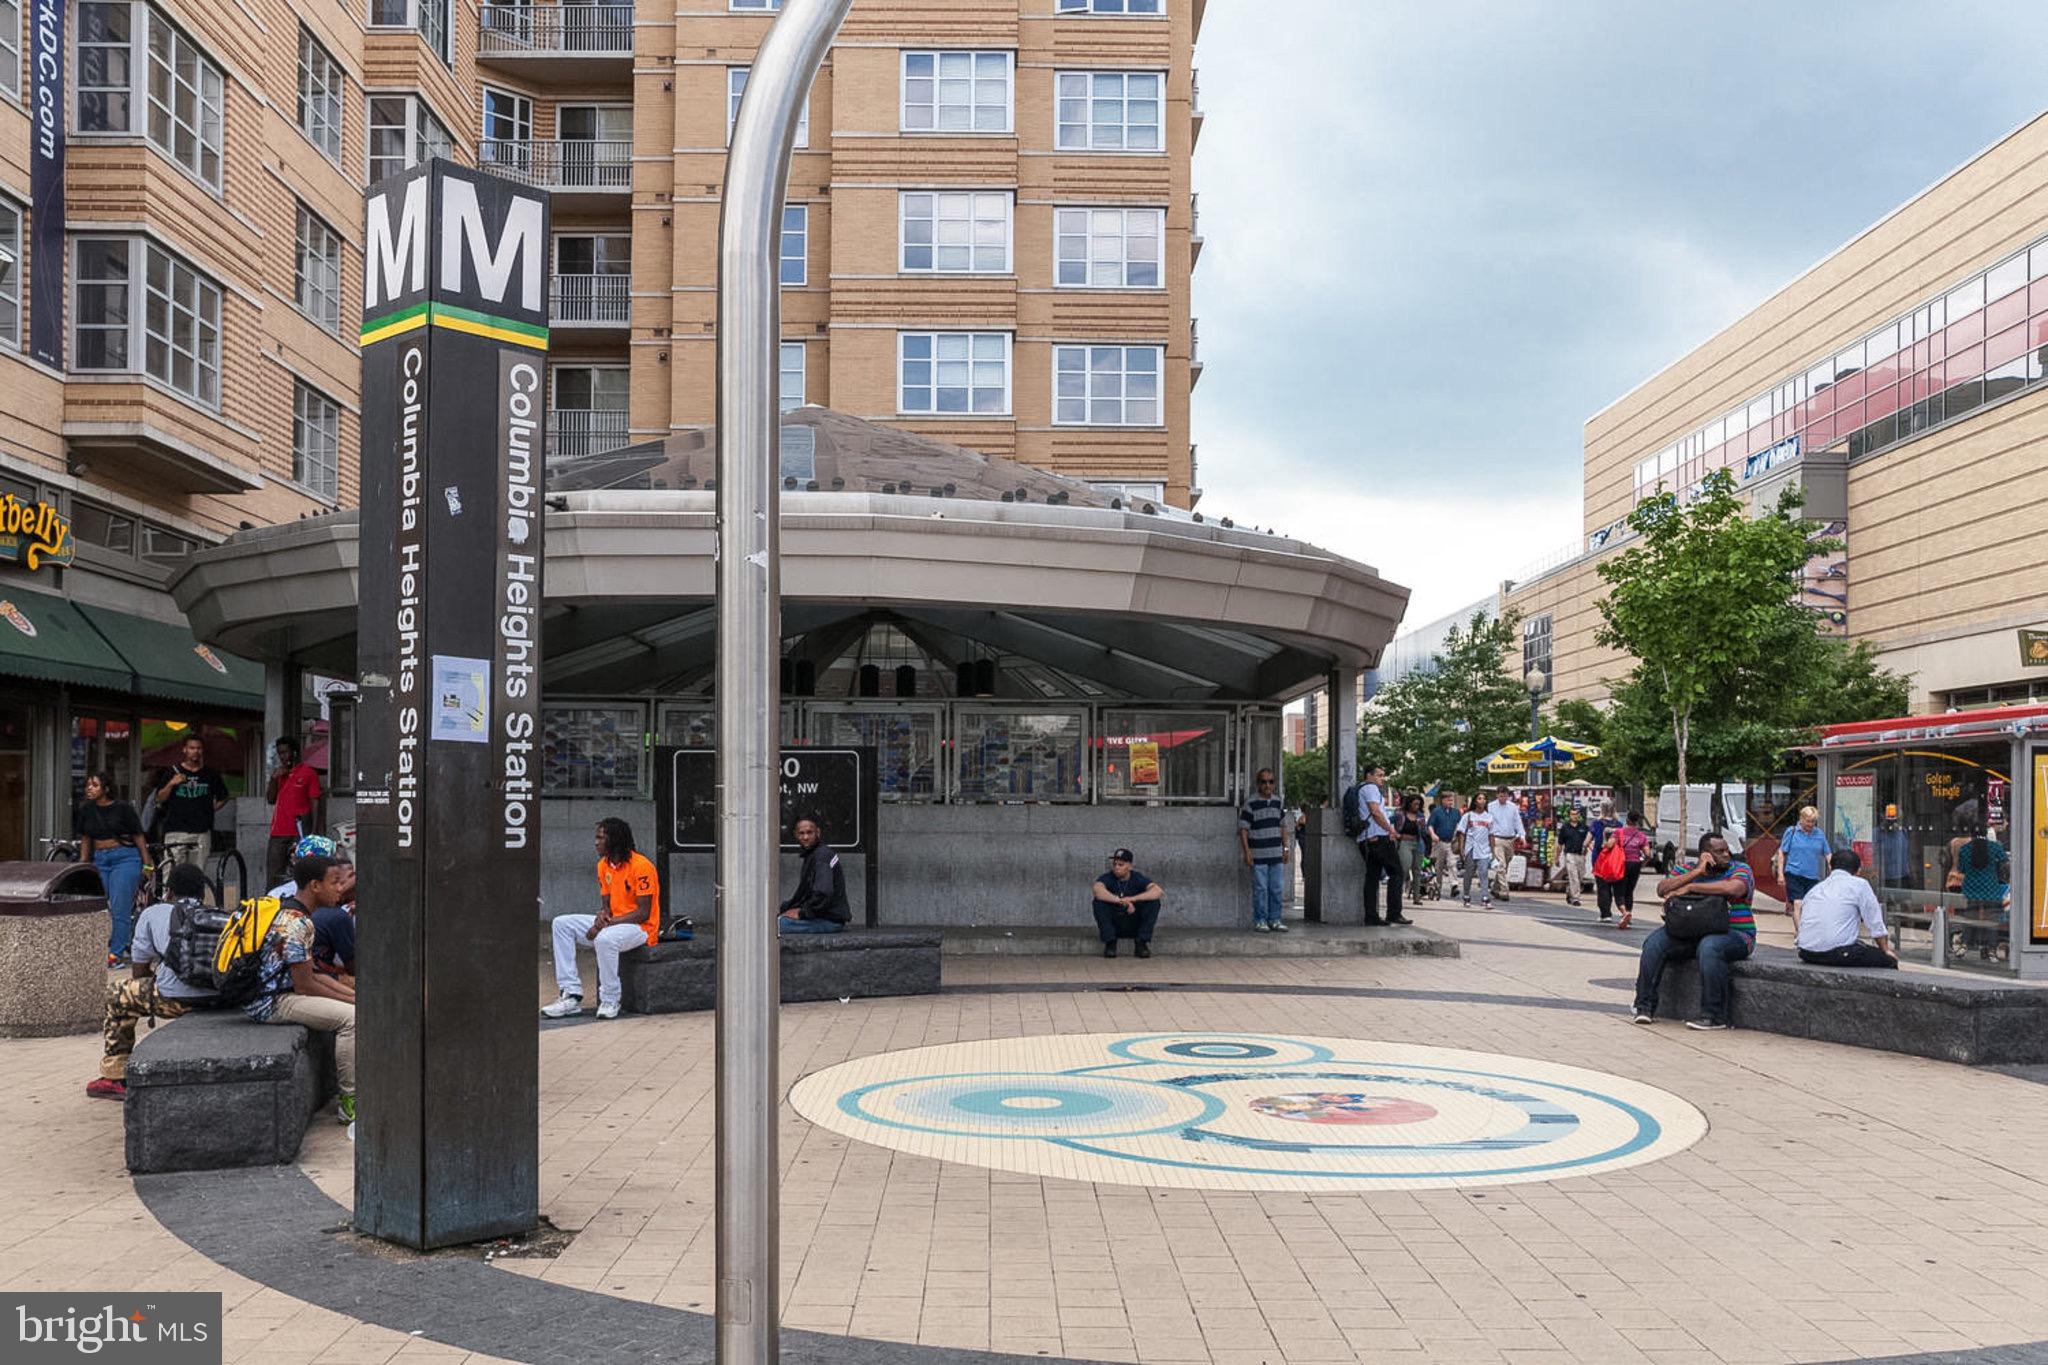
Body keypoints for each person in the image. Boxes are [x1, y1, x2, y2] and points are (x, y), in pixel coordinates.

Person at [85, 863, 218, 1100]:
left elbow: (139, 970)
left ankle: (115, 1076)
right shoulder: (217, 915)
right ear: (201, 893)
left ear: (170, 892)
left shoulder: (153, 913)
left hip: (174, 1000)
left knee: (117, 994)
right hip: (216, 999)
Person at [245, 853, 357, 1124]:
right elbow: (305, 985)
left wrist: (354, 996)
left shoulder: (295, 912)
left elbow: (315, 974)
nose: (340, 888)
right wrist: (352, 1005)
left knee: (355, 1006)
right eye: (334, 882)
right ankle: (350, 1102)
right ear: (314, 886)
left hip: (286, 992)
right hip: (272, 1002)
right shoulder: (297, 923)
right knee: (352, 1020)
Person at [1632, 832, 1757, 1031]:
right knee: (1654, 944)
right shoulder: (1687, 869)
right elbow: (1662, 889)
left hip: (1735, 934)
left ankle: (1714, 1016)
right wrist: (1697, 872)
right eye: (1720, 851)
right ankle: (1644, 1007)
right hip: (1689, 932)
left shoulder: (1740, 869)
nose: (1727, 854)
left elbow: (1734, 889)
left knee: (1710, 947)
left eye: (1727, 850)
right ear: (1705, 855)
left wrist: (1691, 887)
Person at [543, 818, 660, 1020]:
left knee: (604, 939)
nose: (596, 842)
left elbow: (643, 913)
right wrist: (602, 916)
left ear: (614, 840)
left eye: (600, 837)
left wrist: (604, 926)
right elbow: (607, 904)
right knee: (561, 924)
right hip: (613, 923)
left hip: (640, 928)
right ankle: (571, 993)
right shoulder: (603, 866)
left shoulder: (642, 866)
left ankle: (610, 998)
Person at [75, 771, 151, 967]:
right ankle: (95, 949)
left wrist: (147, 862)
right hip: (99, 859)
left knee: (119, 906)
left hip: (125, 858)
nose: (89, 788)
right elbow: (85, 838)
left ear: (106, 789)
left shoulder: (123, 808)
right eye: (88, 785)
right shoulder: (86, 809)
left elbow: (138, 835)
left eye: (94, 785)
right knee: (95, 905)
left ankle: (115, 954)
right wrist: (83, 864)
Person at [1793, 850, 1897, 968]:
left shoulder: (1815, 889)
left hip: (1806, 953)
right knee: (1888, 961)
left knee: (1860, 947)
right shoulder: (1860, 885)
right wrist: (1885, 950)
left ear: (1830, 867)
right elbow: (1875, 922)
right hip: (1837, 953)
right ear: (1858, 870)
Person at [149, 735, 230, 871]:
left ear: (202, 751)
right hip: (176, 830)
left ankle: (193, 894)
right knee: (172, 873)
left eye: (198, 748)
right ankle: (170, 894)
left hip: (201, 831)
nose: (195, 751)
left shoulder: (210, 774)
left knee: (197, 874)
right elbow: (159, 798)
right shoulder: (173, 771)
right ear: (185, 750)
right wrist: (172, 783)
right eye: (192, 748)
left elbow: (224, 797)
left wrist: (210, 809)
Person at [264, 738, 322, 888]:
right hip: (278, 831)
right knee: (274, 874)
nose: (282, 757)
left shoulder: (308, 773)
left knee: (300, 874)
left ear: (294, 752)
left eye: (284, 752)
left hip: (299, 832)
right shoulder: (279, 775)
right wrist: (273, 778)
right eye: (279, 754)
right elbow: (270, 799)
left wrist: (314, 832)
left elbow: (315, 802)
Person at [1238, 769, 1291, 933]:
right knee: (1260, 889)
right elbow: (1243, 830)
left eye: (1270, 782)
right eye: (1263, 782)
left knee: (1276, 889)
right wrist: (1247, 852)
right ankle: (1260, 920)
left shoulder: (1278, 802)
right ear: (1258, 784)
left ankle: (1275, 919)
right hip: (1258, 855)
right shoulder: (1250, 803)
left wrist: (1286, 848)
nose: (1267, 785)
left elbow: (1282, 826)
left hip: (1276, 854)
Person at [780, 816, 852, 935]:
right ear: (795, 835)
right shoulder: (812, 855)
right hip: (821, 917)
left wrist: (802, 913)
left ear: (818, 832)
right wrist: (784, 908)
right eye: (801, 833)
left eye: (809, 832)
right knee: (770, 920)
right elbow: (805, 895)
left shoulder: (822, 855)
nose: (806, 837)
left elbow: (823, 892)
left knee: (772, 927)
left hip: (828, 920)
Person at [1949, 826, 2009, 959]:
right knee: (1992, 921)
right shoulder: (1995, 847)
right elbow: (2005, 862)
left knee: (1970, 918)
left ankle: (1964, 944)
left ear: (1971, 834)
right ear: (1986, 834)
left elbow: (1961, 869)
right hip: (1991, 890)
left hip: (1971, 890)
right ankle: (1992, 950)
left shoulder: (1965, 849)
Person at [1093, 848, 1163, 957]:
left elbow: (1157, 891)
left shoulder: (1137, 878)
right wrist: (1121, 901)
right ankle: (1110, 943)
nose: (1116, 867)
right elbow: (1098, 890)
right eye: (1115, 864)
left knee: (1154, 902)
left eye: (1121, 865)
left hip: (1133, 922)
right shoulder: (1108, 877)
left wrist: (1132, 899)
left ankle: (1141, 943)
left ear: (1129, 866)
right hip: (1115, 925)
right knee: (1098, 903)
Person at [1773, 805, 1831, 918]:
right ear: (1801, 819)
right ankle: (1799, 933)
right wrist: (1780, 874)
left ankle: (1805, 929)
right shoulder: (1792, 832)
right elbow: (1782, 852)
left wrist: (1832, 868)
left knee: (1810, 905)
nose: (1811, 824)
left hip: (1812, 876)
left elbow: (1827, 853)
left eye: (1813, 821)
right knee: (1798, 903)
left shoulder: (1819, 834)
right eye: (1808, 821)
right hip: (1794, 874)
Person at [1607, 810, 1650, 928]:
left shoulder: (1619, 832)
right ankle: (1629, 912)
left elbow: (1610, 845)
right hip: (1635, 864)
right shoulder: (1641, 836)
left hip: (1621, 864)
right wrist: (1644, 863)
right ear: (1637, 821)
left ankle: (1624, 913)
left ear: (1627, 820)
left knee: (1618, 891)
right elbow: (1648, 853)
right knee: (1629, 891)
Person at [1484, 786, 1525, 903]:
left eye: (1505, 796)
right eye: (1501, 796)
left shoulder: (1513, 807)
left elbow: (1518, 821)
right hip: (1496, 839)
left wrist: (1522, 835)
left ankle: (1495, 887)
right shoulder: (1491, 807)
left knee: (1505, 864)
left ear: (1508, 796)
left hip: (1510, 839)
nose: (1503, 798)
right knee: (1501, 865)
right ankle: (1504, 890)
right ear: (1497, 795)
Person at [1453, 793, 1494, 907]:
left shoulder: (1489, 817)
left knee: (1484, 873)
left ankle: (1485, 897)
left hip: (1484, 850)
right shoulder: (1468, 816)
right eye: (1480, 798)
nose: (1482, 801)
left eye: (1484, 799)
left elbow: (1491, 835)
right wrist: (1461, 849)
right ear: (1475, 801)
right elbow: (1461, 833)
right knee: (1469, 874)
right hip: (1470, 848)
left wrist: (1493, 852)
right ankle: (1466, 896)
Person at [1394, 793, 1429, 905]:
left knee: (1417, 870)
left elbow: (1423, 832)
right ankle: (1397, 894)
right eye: (1415, 804)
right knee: (1404, 867)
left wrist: (1424, 827)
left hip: (1418, 843)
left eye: (1419, 804)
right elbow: (1389, 821)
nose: (1417, 806)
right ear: (1409, 804)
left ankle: (1416, 897)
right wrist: (1394, 834)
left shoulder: (1420, 816)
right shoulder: (1400, 814)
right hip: (1405, 842)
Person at [1556, 806, 1591, 908]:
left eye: (1576, 814)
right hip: (1570, 855)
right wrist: (1557, 858)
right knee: (1573, 876)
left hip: (1581, 855)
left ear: (1579, 815)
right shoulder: (1565, 828)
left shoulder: (1584, 827)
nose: (1574, 816)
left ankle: (1569, 891)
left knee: (1580, 877)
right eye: (1572, 814)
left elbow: (1588, 841)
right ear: (1569, 815)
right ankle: (1576, 898)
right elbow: (1560, 844)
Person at [1427, 791, 1463, 888]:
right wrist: (1433, 834)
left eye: (1451, 800)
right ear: (1442, 800)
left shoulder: (1456, 812)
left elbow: (1460, 826)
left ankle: (1454, 884)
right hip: (1439, 841)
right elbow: (1430, 825)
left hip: (1451, 842)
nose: (1450, 802)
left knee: (1452, 863)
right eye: (1448, 800)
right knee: (1439, 865)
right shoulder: (1436, 812)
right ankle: (1438, 885)